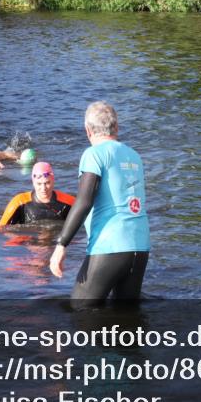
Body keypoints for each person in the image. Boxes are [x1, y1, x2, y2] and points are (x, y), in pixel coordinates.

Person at [49, 101, 149, 307]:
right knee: (126, 318)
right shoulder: (134, 156)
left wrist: (61, 244)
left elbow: (84, 202)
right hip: (140, 245)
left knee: (79, 311)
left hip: (109, 245)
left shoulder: (93, 154)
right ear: (117, 127)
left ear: (87, 130)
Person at [0, 162, 75, 226]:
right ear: (33, 182)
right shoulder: (19, 202)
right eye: (39, 184)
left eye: (47, 183)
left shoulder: (69, 202)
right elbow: (1, 230)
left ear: (53, 181)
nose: (43, 188)